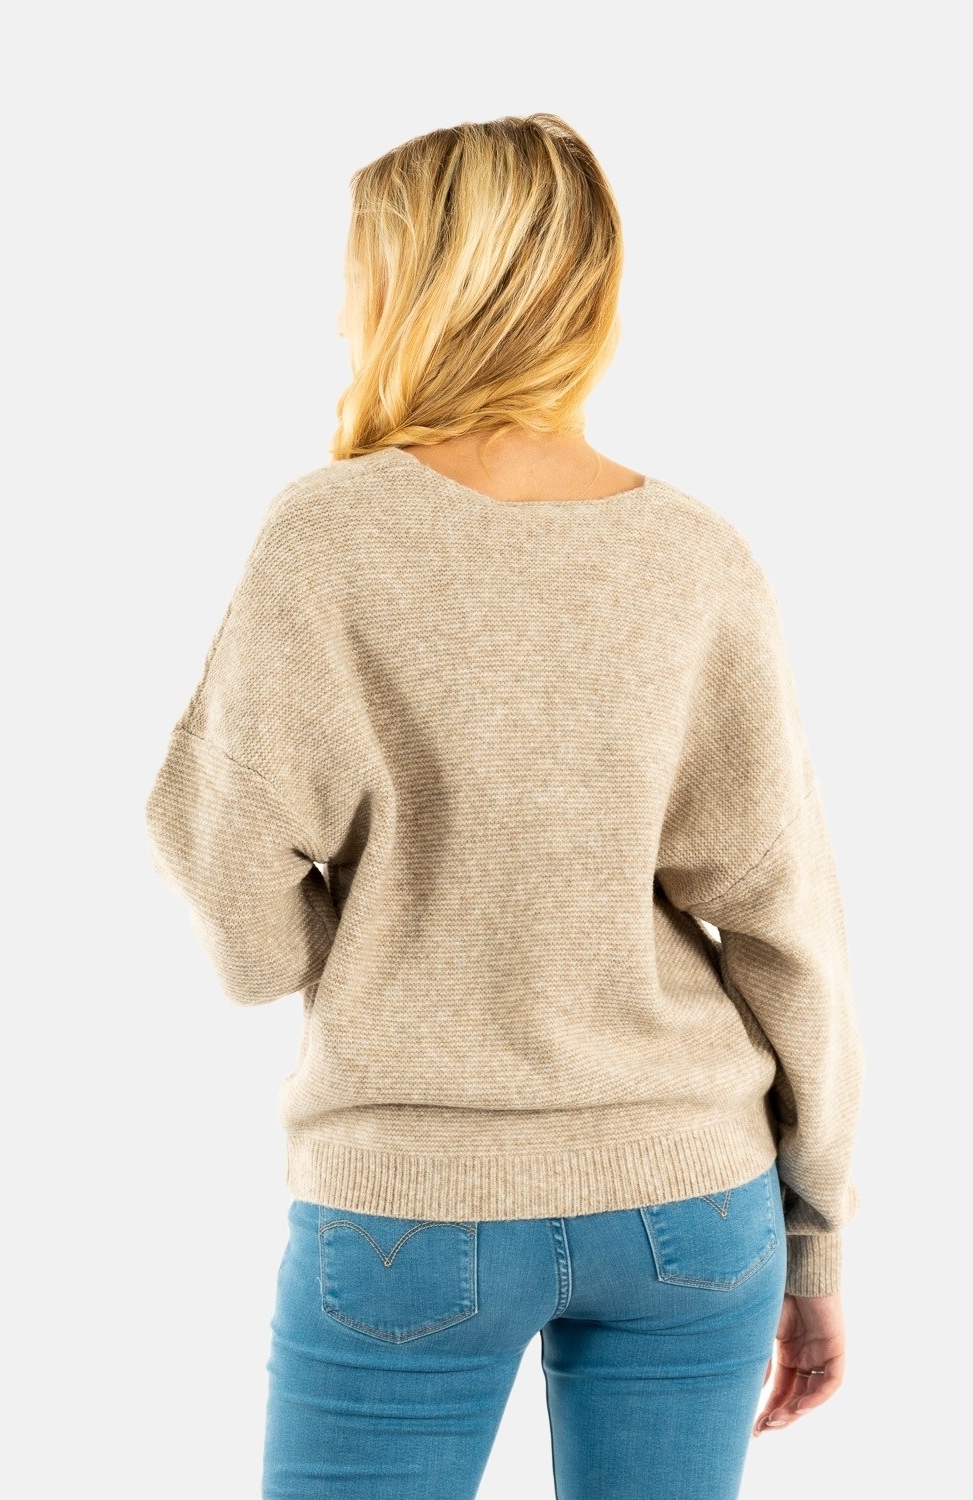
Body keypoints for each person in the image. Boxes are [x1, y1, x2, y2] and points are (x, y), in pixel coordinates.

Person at [144, 113, 865, 1499]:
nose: (344, 312)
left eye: (357, 277)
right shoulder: (697, 557)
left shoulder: (328, 536)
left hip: (412, 1203)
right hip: (690, 1202)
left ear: (416, 290)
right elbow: (788, 925)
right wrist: (817, 1235)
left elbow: (236, 900)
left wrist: (346, 952)